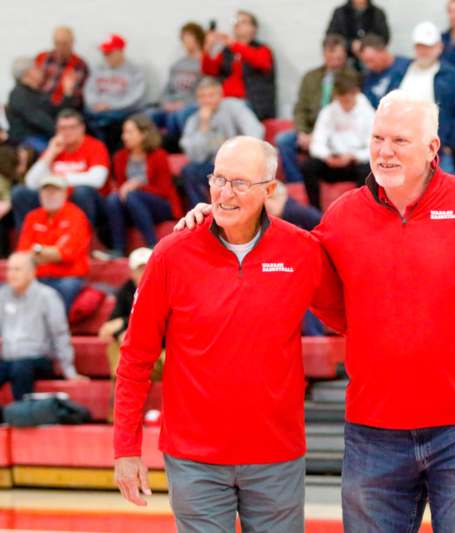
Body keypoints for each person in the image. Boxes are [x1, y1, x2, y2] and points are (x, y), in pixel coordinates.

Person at [177, 89, 455, 532]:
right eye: (378, 138)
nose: (385, 151)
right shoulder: (342, 217)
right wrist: (217, 216)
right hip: (373, 433)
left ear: (432, 146)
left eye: (400, 140)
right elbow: (281, 258)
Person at [113, 136, 344, 530]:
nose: (224, 193)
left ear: (269, 190)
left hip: (276, 454)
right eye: (218, 180)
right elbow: (136, 356)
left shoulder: (301, 251)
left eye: (239, 183)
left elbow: (347, 318)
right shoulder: (171, 254)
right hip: (193, 457)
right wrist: (126, 448)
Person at [0, 252, 86, 401]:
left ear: (32, 273)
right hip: (8, 359)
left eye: (17, 269)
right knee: (14, 366)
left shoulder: (47, 296)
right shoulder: (3, 295)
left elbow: (60, 333)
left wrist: (69, 371)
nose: (11, 274)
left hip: (39, 360)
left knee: (21, 368)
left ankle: (23, 415)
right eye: (9, 269)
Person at [276, 34, 356, 184]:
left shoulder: (351, 77)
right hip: (309, 128)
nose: (336, 62)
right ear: (324, 54)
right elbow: (300, 108)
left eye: (340, 58)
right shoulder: (310, 77)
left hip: (335, 130)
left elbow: (346, 113)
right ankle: (297, 184)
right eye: (332, 56)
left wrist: (317, 136)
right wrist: (301, 132)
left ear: (345, 55)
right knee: (284, 140)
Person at [14, 109, 111, 232]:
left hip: (89, 202)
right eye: (62, 128)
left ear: (82, 128)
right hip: (56, 200)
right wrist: (50, 153)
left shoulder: (95, 146)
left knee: (81, 192)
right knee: (20, 193)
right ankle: (26, 243)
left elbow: (97, 180)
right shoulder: (55, 149)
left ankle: (83, 241)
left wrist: (61, 178)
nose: (67, 132)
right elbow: (31, 182)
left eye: (72, 127)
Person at [179, 77, 264, 207]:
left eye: (211, 95)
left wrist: (235, 151)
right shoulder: (194, 120)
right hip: (213, 166)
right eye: (202, 97)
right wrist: (204, 127)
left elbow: (255, 131)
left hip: (238, 162)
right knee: (189, 171)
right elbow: (194, 156)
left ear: (220, 94)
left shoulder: (235, 107)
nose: (207, 100)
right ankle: (202, 214)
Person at [397, 21, 455, 174]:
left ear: (439, 47)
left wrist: (450, 146)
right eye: (420, 46)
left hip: (437, 149)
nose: (424, 51)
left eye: (429, 46)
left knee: (444, 193)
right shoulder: (401, 71)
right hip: (402, 147)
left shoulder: (450, 75)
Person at [99, 247, 162, 422]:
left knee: (126, 352)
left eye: (146, 268)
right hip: (137, 350)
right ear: (131, 272)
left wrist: (125, 325)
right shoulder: (126, 290)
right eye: (139, 269)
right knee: (116, 349)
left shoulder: (163, 288)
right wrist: (123, 329)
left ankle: (124, 410)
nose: (143, 273)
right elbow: (111, 326)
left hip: (163, 350)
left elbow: (160, 325)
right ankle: (121, 414)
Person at [106, 114, 182, 253]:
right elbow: (122, 188)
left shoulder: (159, 155)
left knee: (133, 195)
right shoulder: (120, 157)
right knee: (113, 199)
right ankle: (118, 249)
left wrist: (138, 185)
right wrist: (129, 189)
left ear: (143, 134)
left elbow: (164, 190)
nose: (124, 136)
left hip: (160, 205)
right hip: (132, 204)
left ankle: (152, 245)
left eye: (129, 132)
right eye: (124, 132)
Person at [16, 175, 91, 310]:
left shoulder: (76, 216)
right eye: (46, 191)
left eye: (55, 191)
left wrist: (38, 251)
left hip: (67, 276)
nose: (49, 195)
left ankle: (55, 328)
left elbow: (67, 254)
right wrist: (51, 252)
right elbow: (23, 254)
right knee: (13, 286)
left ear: (65, 193)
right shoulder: (32, 217)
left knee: (65, 288)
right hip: (37, 276)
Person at [302, 70, 373, 209]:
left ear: (356, 92)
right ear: (336, 95)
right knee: (308, 166)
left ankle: (359, 210)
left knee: (369, 170)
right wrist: (326, 156)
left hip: (355, 162)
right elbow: (317, 142)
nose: (346, 102)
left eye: (349, 97)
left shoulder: (368, 113)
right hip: (332, 160)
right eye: (342, 98)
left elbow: (373, 147)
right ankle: (314, 210)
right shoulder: (328, 112)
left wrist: (353, 156)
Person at [202, 10, 275, 120]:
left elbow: (262, 62)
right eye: (236, 21)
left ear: (253, 28)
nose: (237, 24)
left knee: (223, 111)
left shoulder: (262, 49)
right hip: (223, 101)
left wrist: (234, 44)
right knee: (191, 113)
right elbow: (209, 71)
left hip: (251, 103)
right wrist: (207, 49)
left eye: (243, 22)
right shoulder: (227, 51)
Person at [84, 34, 147, 151]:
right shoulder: (99, 69)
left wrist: (111, 106)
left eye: (109, 53)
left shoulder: (134, 71)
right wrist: (96, 104)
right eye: (104, 53)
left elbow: (135, 98)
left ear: (120, 51)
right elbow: (89, 91)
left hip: (121, 112)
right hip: (98, 111)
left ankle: (108, 152)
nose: (105, 56)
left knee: (114, 123)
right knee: (81, 118)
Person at [6, 57, 80, 153]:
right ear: (27, 73)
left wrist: (67, 92)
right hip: (27, 139)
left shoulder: (38, 92)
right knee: (58, 154)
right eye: (37, 68)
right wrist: (62, 131)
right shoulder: (18, 94)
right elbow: (35, 117)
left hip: (45, 135)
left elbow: (57, 112)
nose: (41, 71)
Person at [148, 22, 205, 142]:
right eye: (184, 37)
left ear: (198, 39)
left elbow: (204, 92)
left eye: (190, 37)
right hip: (171, 104)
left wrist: (183, 104)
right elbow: (167, 89)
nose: (186, 41)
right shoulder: (177, 64)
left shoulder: (205, 64)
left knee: (176, 116)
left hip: (189, 105)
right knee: (149, 115)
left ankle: (173, 147)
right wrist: (166, 103)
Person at [35, 26, 89, 108]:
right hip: (40, 103)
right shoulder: (42, 58)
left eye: (64, 44)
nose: (60, 47)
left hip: (63, 106)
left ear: (72, 43)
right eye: (57, 43)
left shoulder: (79, 65)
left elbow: (76, 96)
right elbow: (30, 82)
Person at [359, 33, 412, 108]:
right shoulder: (368, 79)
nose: (369, 66)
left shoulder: (407, 66)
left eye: (371, 60)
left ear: (383, 51)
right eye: (365, 62)